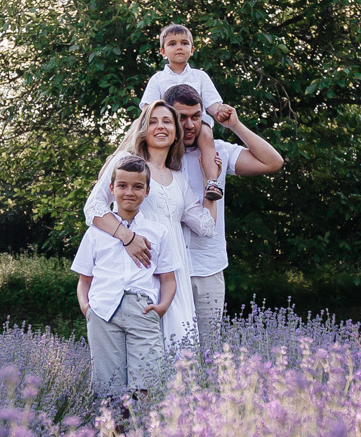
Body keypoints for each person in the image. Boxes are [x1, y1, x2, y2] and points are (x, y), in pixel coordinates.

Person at [88, 83, 283, 352]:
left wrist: (214, 171)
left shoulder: (212, 156)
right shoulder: (134, 163)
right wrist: (128, 238)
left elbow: (273, 163)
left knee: (199, 351)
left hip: (204, 267)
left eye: (196, 117)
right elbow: (99, 197)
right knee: (144, 348)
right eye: (180, 118)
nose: (189, 125)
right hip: (148, 268)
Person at [82, 101, 218, 355]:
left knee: (177, 351)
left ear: (176, 132)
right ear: (144, 129)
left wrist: (211, 180)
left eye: (167, 122)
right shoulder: (126, 163)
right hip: (137, 270)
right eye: (153, 121)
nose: (160, 127)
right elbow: (93, 207)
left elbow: (206, 226)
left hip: (170, 273)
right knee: (137, 353)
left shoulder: (178, 179)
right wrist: (127, 237)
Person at [72, 157, 179, 410]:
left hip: (142, 311)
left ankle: (144, 433)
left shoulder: (158, 232)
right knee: (109, 389)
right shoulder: (96, 232)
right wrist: (87, 309)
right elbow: (84, 280)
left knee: (148, 385)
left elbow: (168, 279)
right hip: (103, 312)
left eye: (137, 187)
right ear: (112, 189)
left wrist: (161, 308)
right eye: (122, 186)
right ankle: (116, 435)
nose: (129, 192)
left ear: (147, 191)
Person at [138, 24, 230, 196]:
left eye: (184, 43)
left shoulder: (200, 76)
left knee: (207, 134)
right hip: (170, 126)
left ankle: (212, 182)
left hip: (195, 126)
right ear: (163, 52)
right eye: (172, 44)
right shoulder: (158, 79)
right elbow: (147, 108)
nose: (179, 47)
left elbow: (212, 104)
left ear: (192, 50)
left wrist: (221, 109)